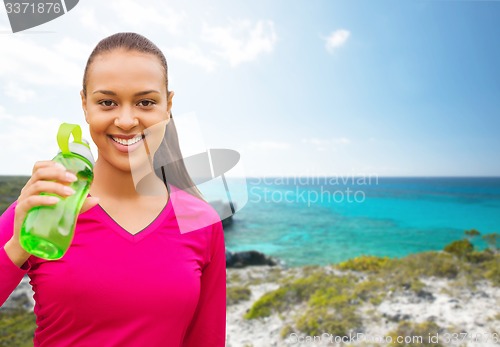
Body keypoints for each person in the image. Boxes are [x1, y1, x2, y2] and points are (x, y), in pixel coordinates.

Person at [0, 32, 226, 347]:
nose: (126, 120)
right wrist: (18, 245)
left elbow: (206, 340)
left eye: (145, 102)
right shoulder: (45, 202)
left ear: (168, 106)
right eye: (107, 102)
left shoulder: (202, 221)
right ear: (84, 104)